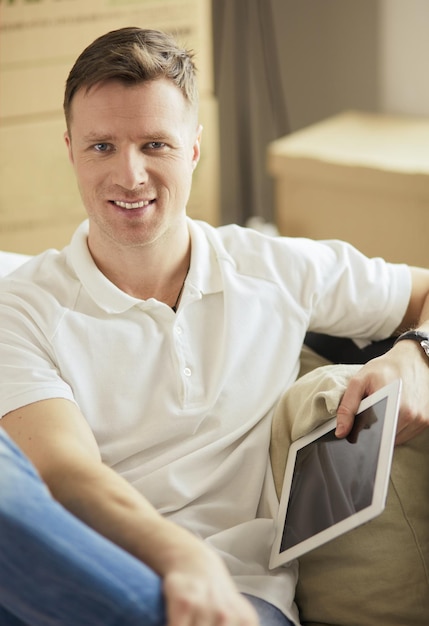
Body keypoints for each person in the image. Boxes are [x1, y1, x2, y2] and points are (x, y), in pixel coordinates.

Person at [0, 26, 428, 626]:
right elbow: (65, 473)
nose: (130, 175)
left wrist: (415, 354)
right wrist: (181, 559)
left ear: (195, 148)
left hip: (237, 601)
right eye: (102, 147)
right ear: (70, 148)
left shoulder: (275, 268)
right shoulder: (21, 307)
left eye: (155, 145)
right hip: (94, 577)